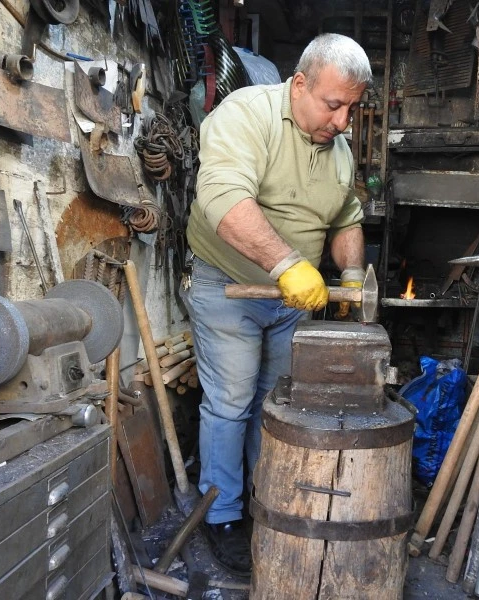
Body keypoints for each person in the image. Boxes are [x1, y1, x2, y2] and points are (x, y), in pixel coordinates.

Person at [181, 33, 372, 575]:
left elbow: (346, 217)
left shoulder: (338, 149)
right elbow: (221, 197)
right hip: (231, 286)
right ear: (300, 84)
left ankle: (270, 499)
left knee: (279, 401)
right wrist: (288, 264)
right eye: (333, 105)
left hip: (294, 300)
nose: (342, 122)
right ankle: (221, 514)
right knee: (232, 402)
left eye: (351, 109)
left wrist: (353, 276)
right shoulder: (247, 115)